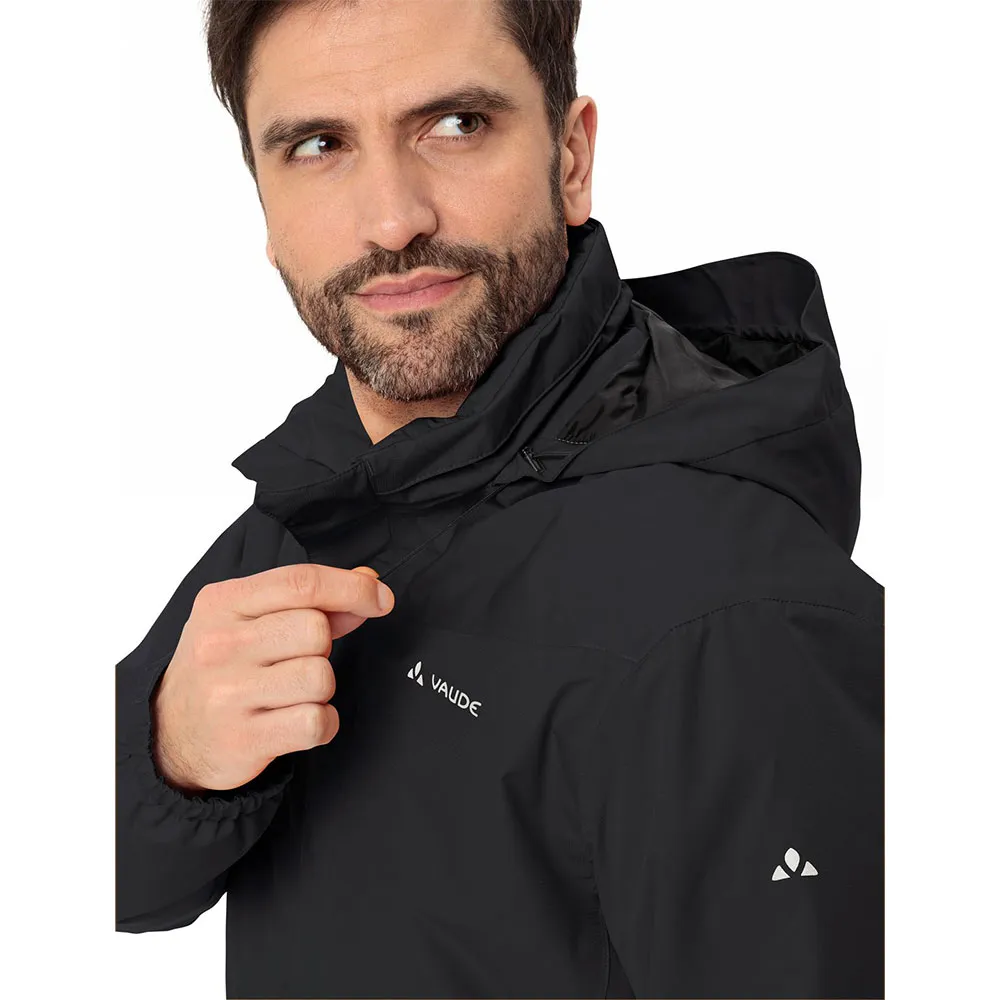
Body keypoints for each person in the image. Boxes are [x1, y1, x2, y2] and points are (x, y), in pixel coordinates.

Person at [115, 1, 884, 997]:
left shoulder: (733, 618)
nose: (392, 219)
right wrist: (171, 755)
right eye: (318, 146)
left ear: (571, 158)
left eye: (455, 125)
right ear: (264, 205)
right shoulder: (323, 495)